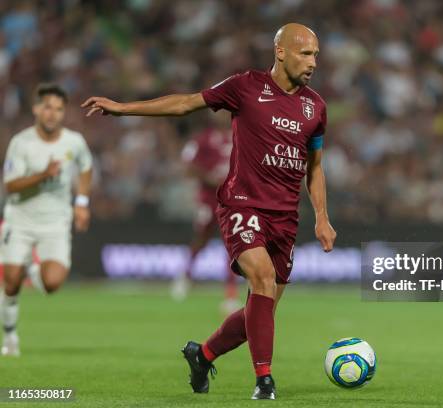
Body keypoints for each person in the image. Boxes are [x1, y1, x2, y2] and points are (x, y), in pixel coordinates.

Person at [82, 23, 336, 400]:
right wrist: (124, 109)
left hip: (285, 218)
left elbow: (314, 167)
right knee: (262, 279)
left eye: (316, 54)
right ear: (280, 51)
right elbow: (185, 102)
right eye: (305, 53)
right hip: (242, 204)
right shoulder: (246, 86)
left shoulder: (315, 106)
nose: (313, 62)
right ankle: (264, 380)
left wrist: (322, 217)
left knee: (260, 310)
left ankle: (201, 355)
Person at [1, 83, 93, 356]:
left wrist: (82, 203)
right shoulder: (21, 142)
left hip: (56, 222)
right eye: (48, 107)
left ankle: (30, 270)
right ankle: (10, 338)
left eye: (59, 109)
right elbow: (11, 185)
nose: (52, 114)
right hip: (20, 220)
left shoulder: (74, 142)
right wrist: (43, 175)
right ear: (36, 109)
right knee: (11, 283)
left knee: (52, 284)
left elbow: (86, 167)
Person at [170, 112, 239, 314]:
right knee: (202, 238)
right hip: (209, 199)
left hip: (234, 200)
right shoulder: (202, 139)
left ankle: (231, 294)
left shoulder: (240, 135)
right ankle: (185, 275)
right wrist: (210, 179)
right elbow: (188, 166)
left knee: (232, 246)